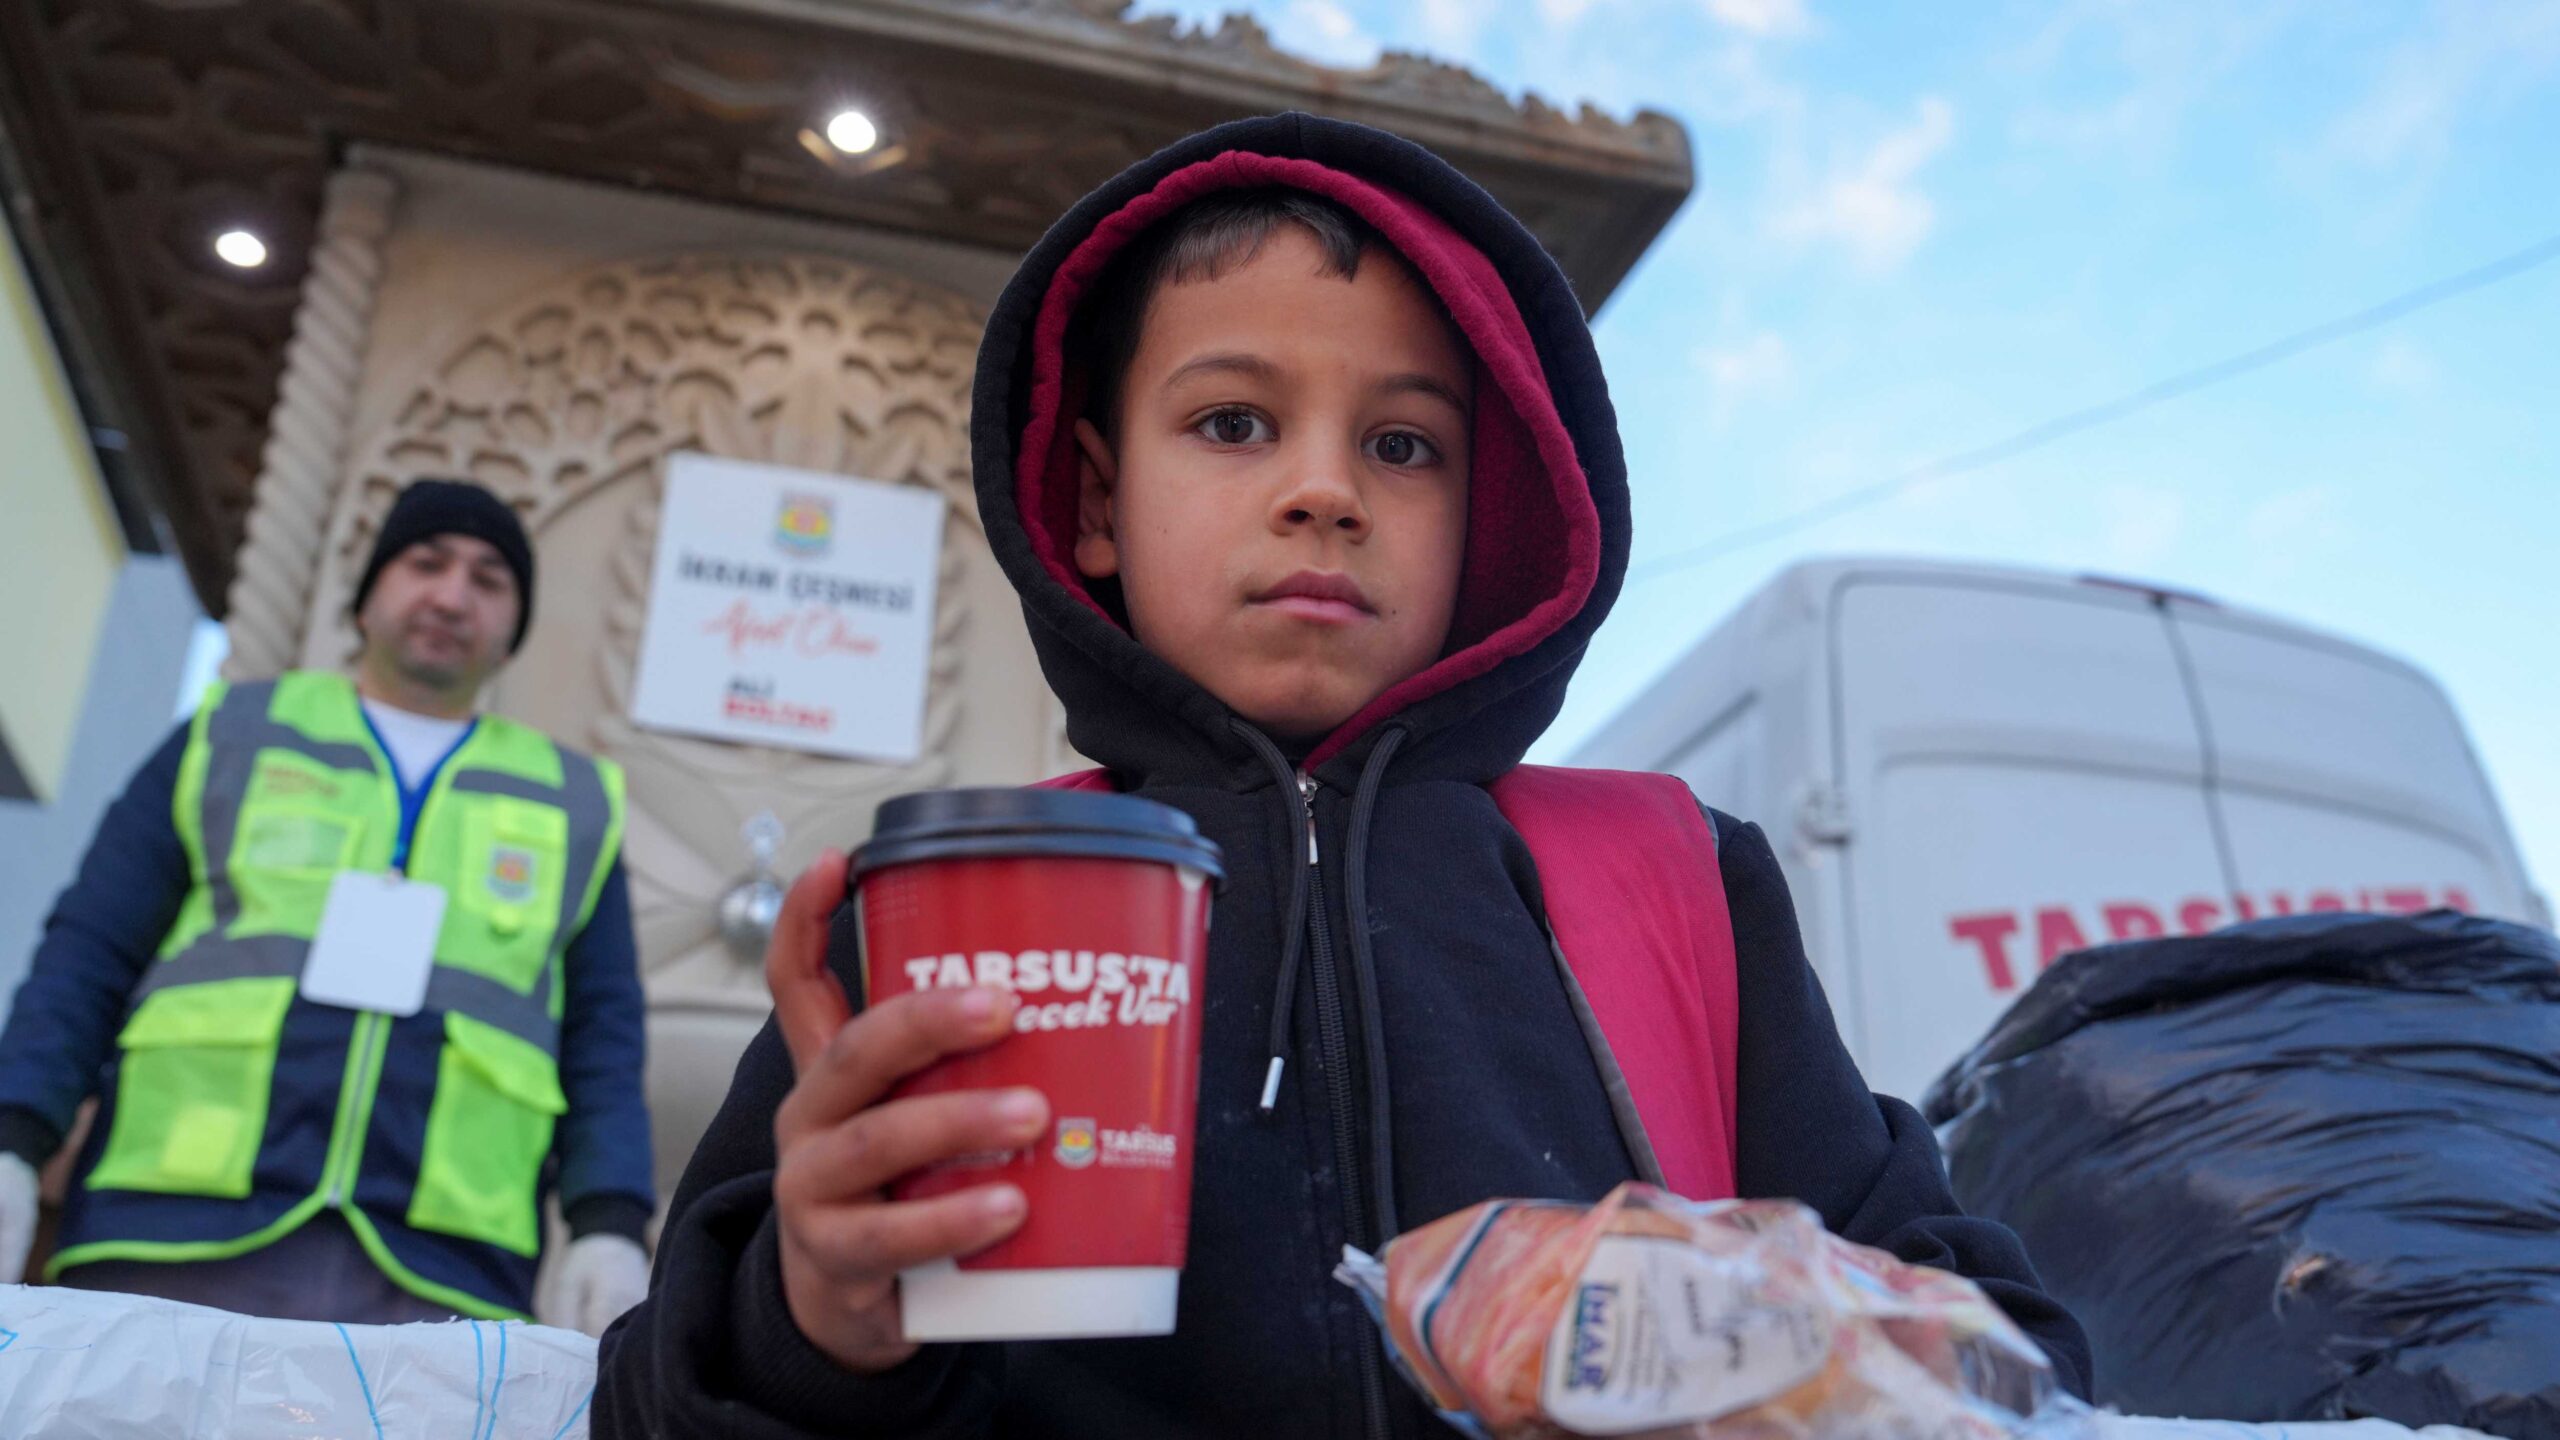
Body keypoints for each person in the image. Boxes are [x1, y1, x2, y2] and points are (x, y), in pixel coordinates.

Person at [594, 114, 2091, 1437]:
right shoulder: (947, 914)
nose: (1326, 489)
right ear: (1099, 503)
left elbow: (1998, 1345)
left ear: (1491, 516)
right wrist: (820, 1325)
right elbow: (658, 1401)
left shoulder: (1675, 879)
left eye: (1403, 444)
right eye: (1232, 422)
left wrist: (1799, 1348)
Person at [0, 478, 655, 1334]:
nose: (452, 595)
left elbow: (603, 1036)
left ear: (513, 630)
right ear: (368, 595)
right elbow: (88, 952)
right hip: (170, 1230)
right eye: (427, 563)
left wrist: (610, 1222)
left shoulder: (572, 800)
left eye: (490, 580)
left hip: (443, 1269)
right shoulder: (232, 733)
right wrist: (15, 1137)